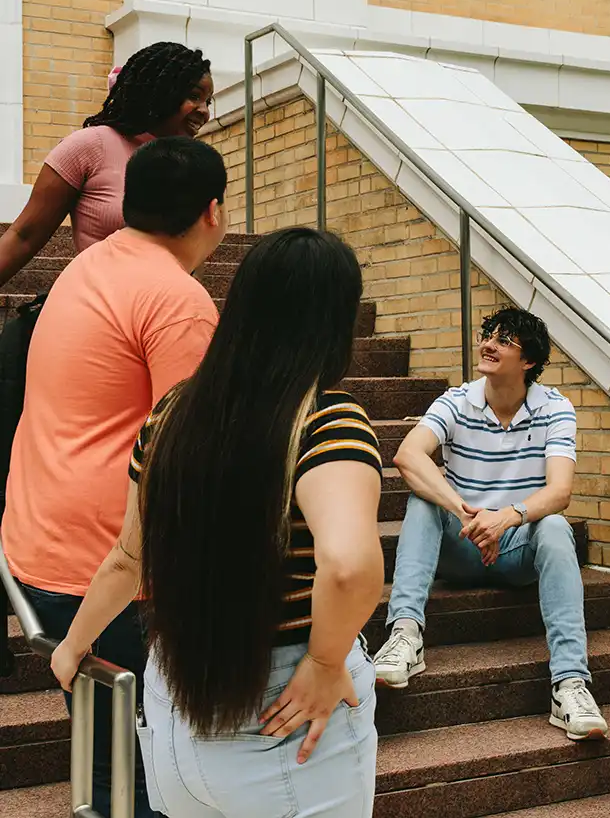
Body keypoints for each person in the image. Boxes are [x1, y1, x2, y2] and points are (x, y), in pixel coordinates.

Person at [50, 228, 384, 818]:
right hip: (283, 712)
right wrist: (328, 662)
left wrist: (74, 645)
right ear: (337, 319)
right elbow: (351, 564)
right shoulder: (327, 420)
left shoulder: (174, 412)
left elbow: (130, 556)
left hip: (174, 699)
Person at [1, 136, 228, 818]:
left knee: (108, 760)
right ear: (212, 211)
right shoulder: (178, 302)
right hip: (104, 570)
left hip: (36, 545)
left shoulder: (88, 265)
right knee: (140, 778)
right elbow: (185, 463)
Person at [374, 305, 609, 741]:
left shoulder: (555, 409)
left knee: (556, 526)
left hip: (516, 547)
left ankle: (570, 685)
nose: (487, 345)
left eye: (503, 341)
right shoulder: (457, 401)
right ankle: (406, 634)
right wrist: (465, 511)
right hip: (462, 544)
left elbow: (560, 492)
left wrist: (506, 519)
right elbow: (407, 455)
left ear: (529, 361)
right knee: (424, 501)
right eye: (488, 335)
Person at [0, 42, 213, 285]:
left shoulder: (192, 166)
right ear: (162, 90)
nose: (204, 112)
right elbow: (23, 236)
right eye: (194, 96)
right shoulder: (90, 146)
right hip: (103, 309)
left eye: (209, 101)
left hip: (166, 312)